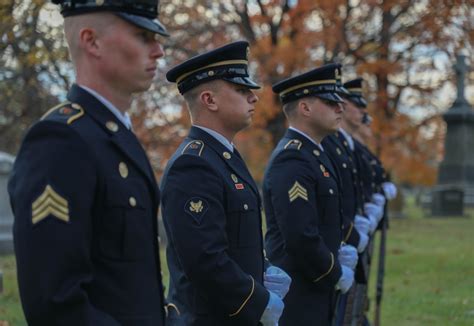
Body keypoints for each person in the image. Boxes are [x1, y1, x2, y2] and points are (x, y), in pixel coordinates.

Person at [8, 1, 169, 325]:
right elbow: (55, 303)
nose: (158, 51)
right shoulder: (60, 142)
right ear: (91, 41)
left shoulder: (114, 136)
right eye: (142, 36)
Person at [162, 41, 290, 325]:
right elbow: (205, 261)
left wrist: (264, 269)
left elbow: (236, 242)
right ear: (210, 100)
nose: (254, 98)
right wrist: (258, 301)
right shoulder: (193, 165)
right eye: (242, 90)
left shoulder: (224, 156)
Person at [263, 64, 356, 326]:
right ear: (305, 108)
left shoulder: (313, 154)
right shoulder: (292, 158)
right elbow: (300, 236)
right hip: (300, 291)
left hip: (316, 286)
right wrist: (335, 272)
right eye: (330, 102)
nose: (340, 108)